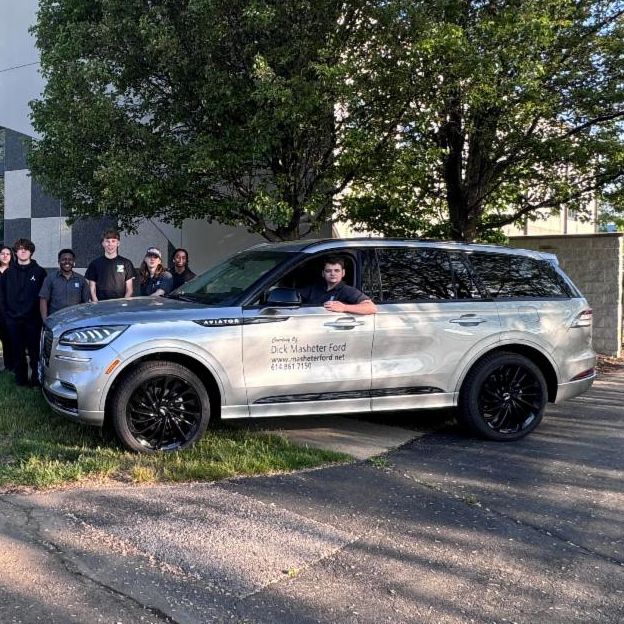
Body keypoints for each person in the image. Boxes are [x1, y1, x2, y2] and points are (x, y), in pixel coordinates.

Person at [2, 238, 47, 387]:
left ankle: (36, 381)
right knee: (17, 352)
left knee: (35, 353)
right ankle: (20, 380)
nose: (23, 251)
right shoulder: (8, 273)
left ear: (31, 252)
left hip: (33, 320)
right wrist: (7, 316)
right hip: (13, 320)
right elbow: (2, 296)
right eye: (20, 248)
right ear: (15, 252)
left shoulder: (40, 272)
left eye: (26, 248)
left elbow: (44, 297)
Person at [298, 256, 377, 315]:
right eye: (328, 271)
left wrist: (344, 307)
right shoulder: (314, 288)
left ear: (343, 273)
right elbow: (295, 295)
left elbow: (371, 307)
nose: (332, 274)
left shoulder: (347, 291)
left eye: (337, 270)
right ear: (323, 273)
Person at [39, 249, 91, 321]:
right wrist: (45, 320)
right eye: (64, 259)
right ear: (59, 262)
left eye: (70, 260)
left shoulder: (81, 279)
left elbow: (86, 302)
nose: (67, 262)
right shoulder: (50, 278)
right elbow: (43, 299)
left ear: (74, 262)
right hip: (55, 320)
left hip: (75, 320)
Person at [85, 229, 135, 301]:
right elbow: (92, 289)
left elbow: (129, 289)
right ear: (103, 243)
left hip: (120, 304)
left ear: (118, 243)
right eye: (107, 241)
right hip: (101, 304)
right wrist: (96, 303)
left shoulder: (126, 263)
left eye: (113, 241)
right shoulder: (94, 264)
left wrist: (124, 302)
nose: (110, 244)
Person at [0, 246, 15, 372]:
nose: (5, 256)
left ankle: (9, 367)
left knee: (8, 340)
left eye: (8, 254)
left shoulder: (14, 272)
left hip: (9, 312)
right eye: (2, 253)